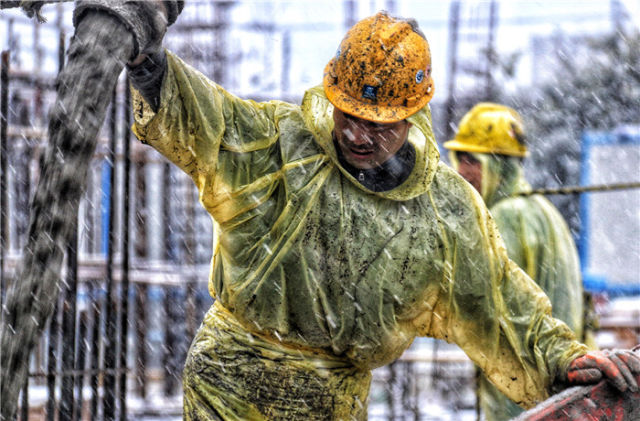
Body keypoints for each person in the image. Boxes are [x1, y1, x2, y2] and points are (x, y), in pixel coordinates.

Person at [72, 3, 640, 419]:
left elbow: (501, 303)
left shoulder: (443, 214)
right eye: (348, 114)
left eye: (380, 122)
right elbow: (203, 118)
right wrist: (147, 60)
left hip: (331, 403)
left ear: (414, 116)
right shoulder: (281, 147)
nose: (358, 133)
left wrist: (564, 356)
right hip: (226, 385)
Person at [443, 103, 593, 421]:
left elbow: (485, 305)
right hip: (565, 386)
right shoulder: (544, 211)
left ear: (501, 167)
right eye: (460, 159)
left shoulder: (503, 218)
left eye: (473, 160)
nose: (461, 171)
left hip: (522, 392)